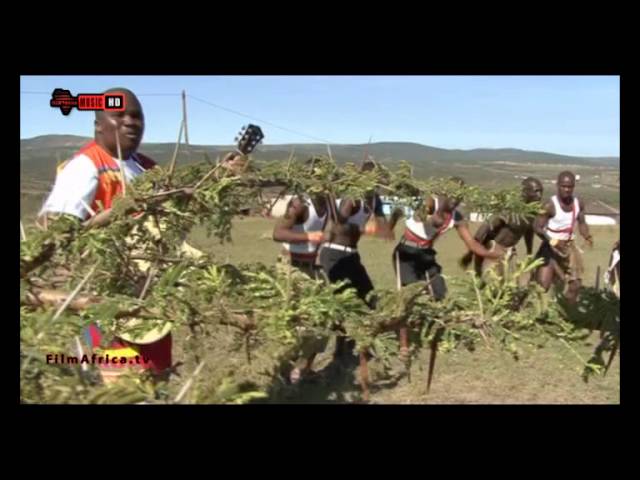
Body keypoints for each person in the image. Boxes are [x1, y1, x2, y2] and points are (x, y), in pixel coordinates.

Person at [317, 160, 399, 362]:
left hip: (352, 255)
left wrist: (393, 221)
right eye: (373, 179)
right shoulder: (353, 198)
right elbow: (339, 224)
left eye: (378, 180)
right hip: (334, 254)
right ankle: (339, 349)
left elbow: (383, 227)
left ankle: (366, 344)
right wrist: (364, 229)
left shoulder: (374, 200)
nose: (376, 183)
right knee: (340, 303)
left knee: (370, 298)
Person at [272, 190, 329, 382]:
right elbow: (278, 233)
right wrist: (310, 236)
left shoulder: (328, 202)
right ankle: (284, 371)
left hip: (312, 268)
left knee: (324, 318)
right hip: (291, 267)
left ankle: (304, 368)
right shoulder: (300, 203)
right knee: (295, 321)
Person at [459, 177, 543, 280]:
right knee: (495, 288)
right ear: (525, 191)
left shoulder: (532, 212)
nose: (540, 196)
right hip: (494, 249)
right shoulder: (509, 210)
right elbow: (484, 228)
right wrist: (470, 254)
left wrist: (529, 253)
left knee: (510, 288)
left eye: (541, 191)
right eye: (536, 191)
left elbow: (528, 230)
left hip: (510, 251)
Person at [533, 171, 593, 304]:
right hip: (550, 248)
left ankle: (566, 313)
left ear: (574, 187)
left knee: (575, 285)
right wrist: (553, 241)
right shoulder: (549, 205)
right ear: (557, 185)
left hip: (569, 249)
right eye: (563, 186)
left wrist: (587, 235)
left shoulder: (578, 204)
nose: (567, 189)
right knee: (542, 286)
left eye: (570, 186)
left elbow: (582, 222)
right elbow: (537, 227)